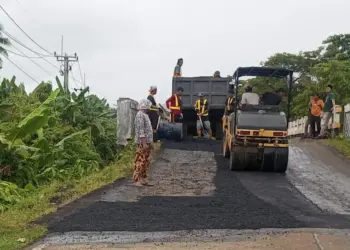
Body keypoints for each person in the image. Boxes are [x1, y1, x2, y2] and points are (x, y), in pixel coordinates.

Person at [133, 99, 154, 186]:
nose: (149, 107)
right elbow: (141, 130)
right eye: (148, 105)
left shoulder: (145, 115)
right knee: (140, 160)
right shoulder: (140, 115)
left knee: (146, 161)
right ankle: (137, 179)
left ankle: (143, 178)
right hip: (142, 142)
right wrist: (144, 142)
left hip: (147, 142)